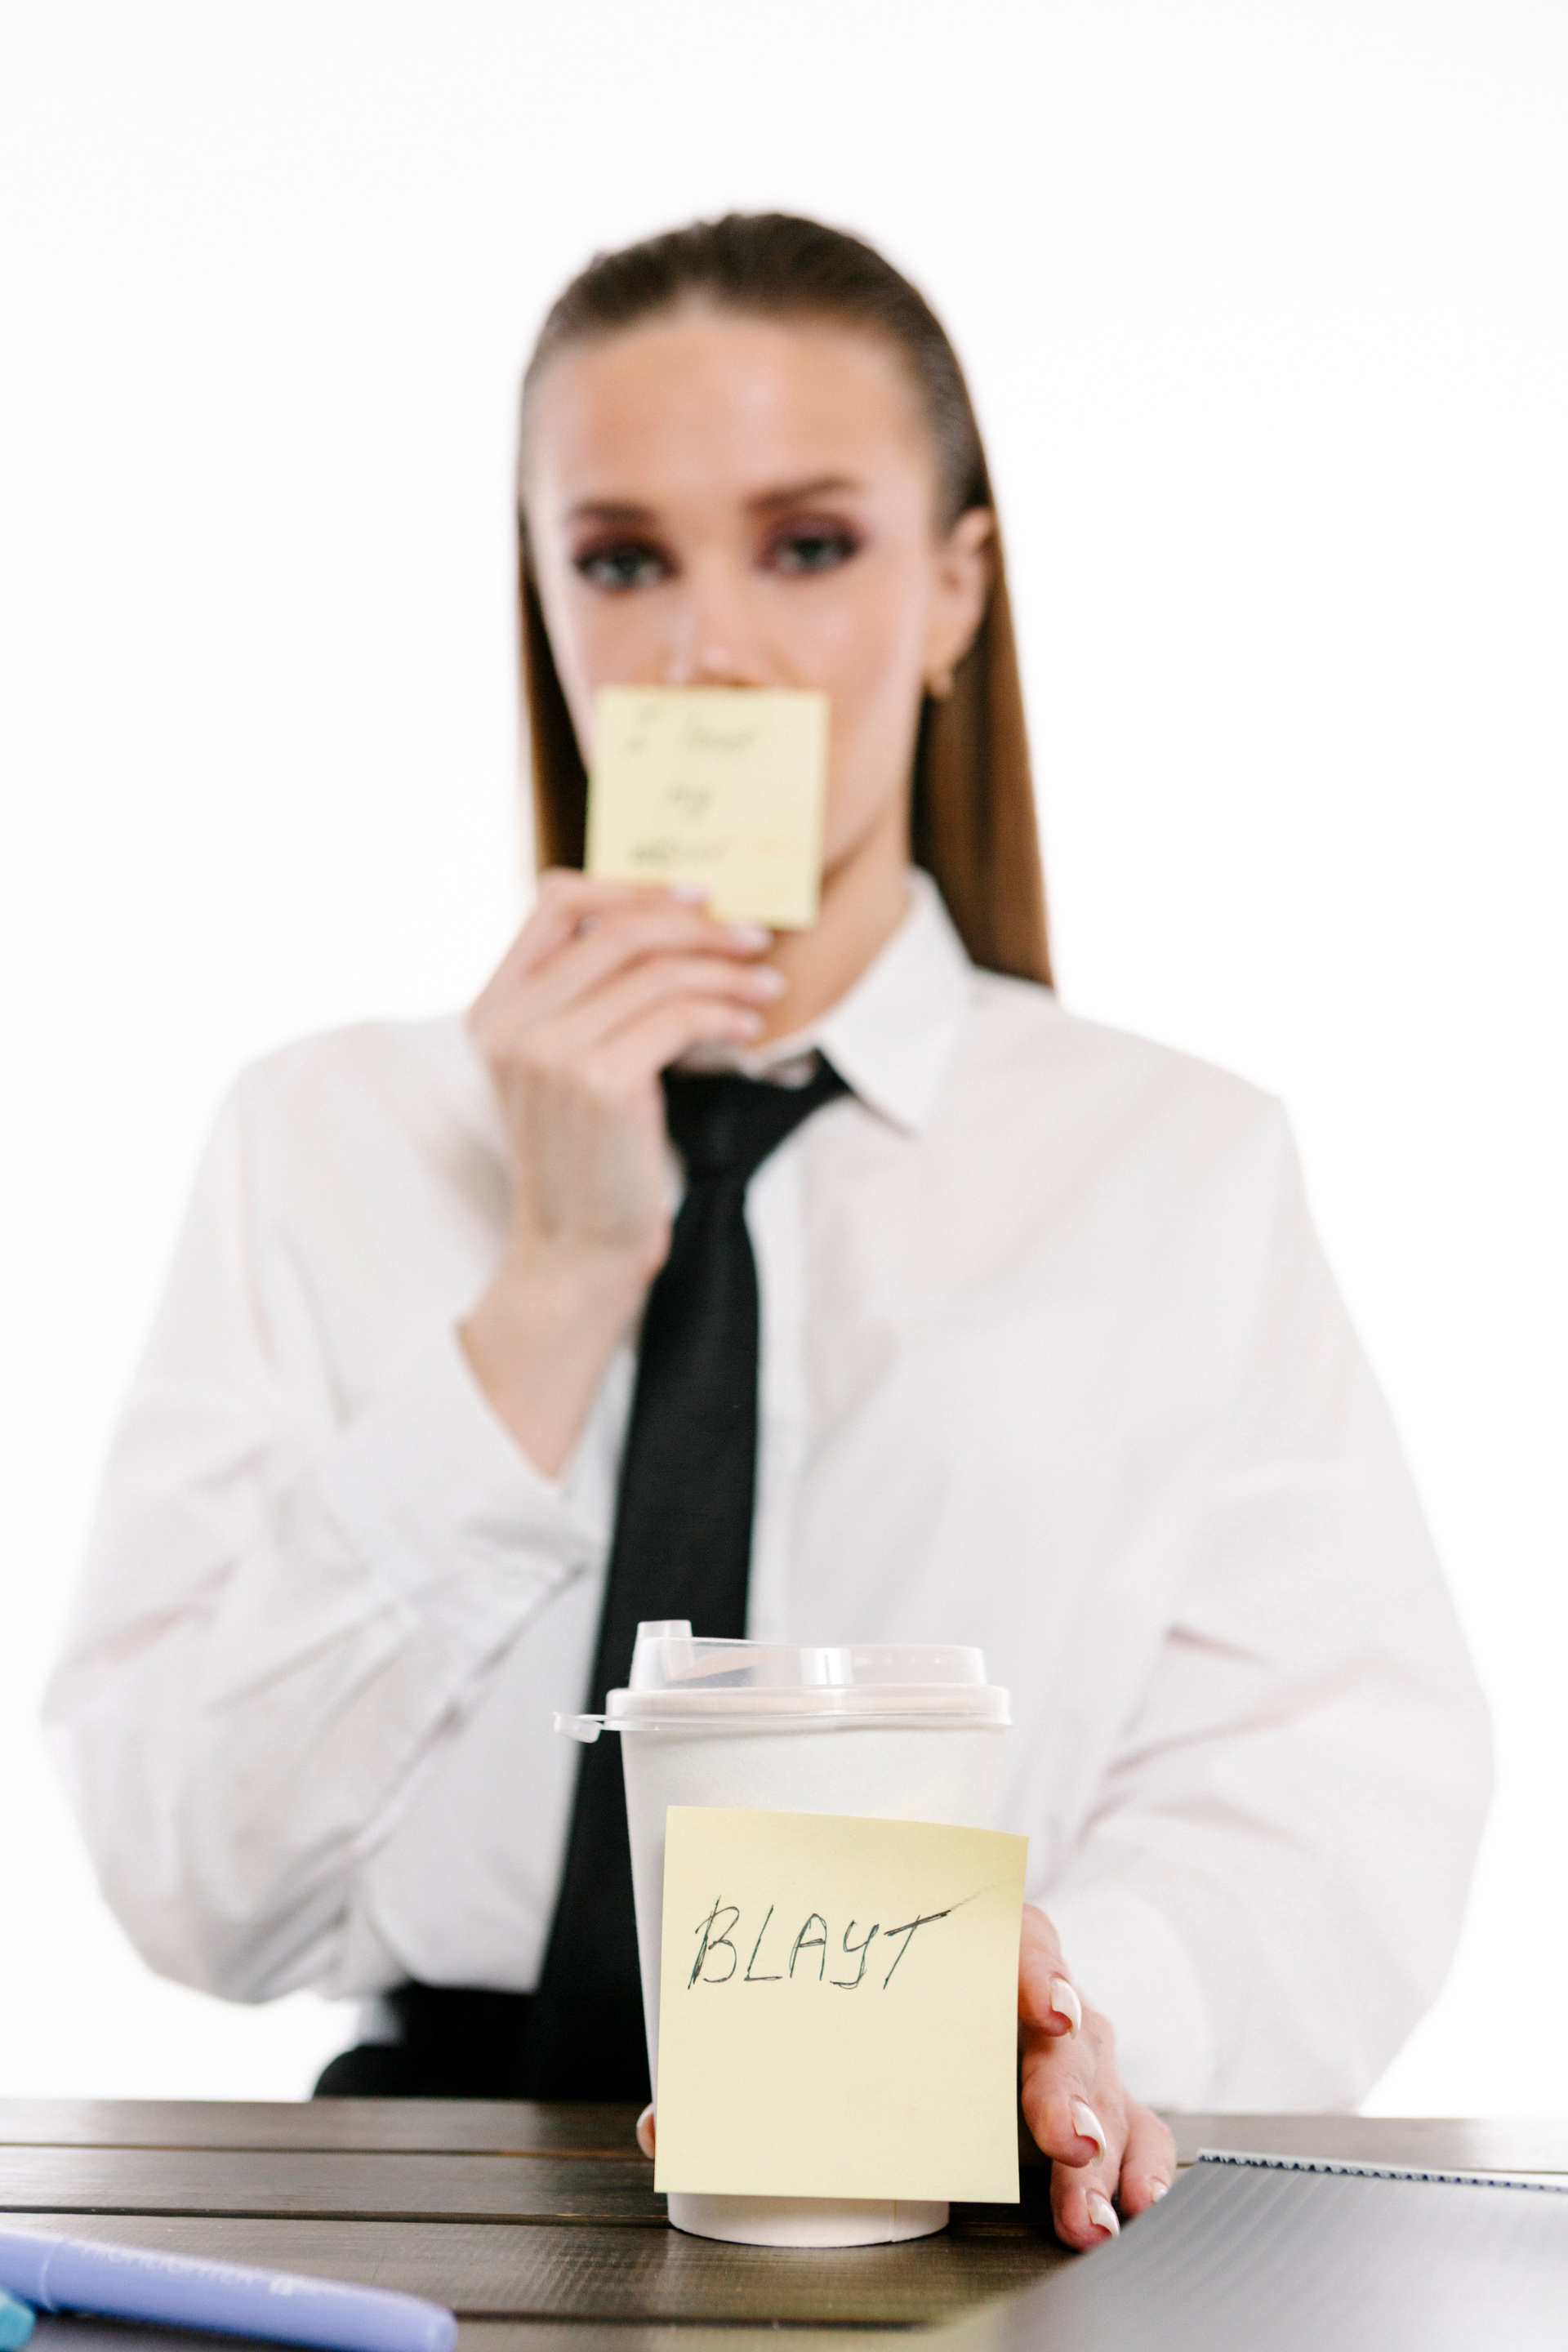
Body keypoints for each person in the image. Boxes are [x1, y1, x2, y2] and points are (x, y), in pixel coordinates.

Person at [46, 213, 1490, 2252]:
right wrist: (557, 1279)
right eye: (622, 560)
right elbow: (188, 1875)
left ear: (953, 590)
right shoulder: (321, 1137)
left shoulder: (1180, 1166)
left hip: (953, 2186)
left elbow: (1336, 1793)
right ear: (542, 593)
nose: (705, 653)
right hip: (414, 2209)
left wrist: (1070, 2018)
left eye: (807, 546)